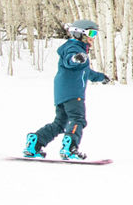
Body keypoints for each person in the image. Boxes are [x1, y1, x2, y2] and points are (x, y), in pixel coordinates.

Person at [23, 19, 111, 160]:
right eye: (91, 33)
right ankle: (70, 148)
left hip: (62, 93)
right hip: (73, 93)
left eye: (95, 34)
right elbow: (69, 60)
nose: (93, 38)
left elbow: (86, 72)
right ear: (79, 34)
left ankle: (36, 142)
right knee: (78, 119)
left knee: (60, 123)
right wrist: (75, 58)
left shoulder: (80, 51)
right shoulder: (74, 48)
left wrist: (101, 77)